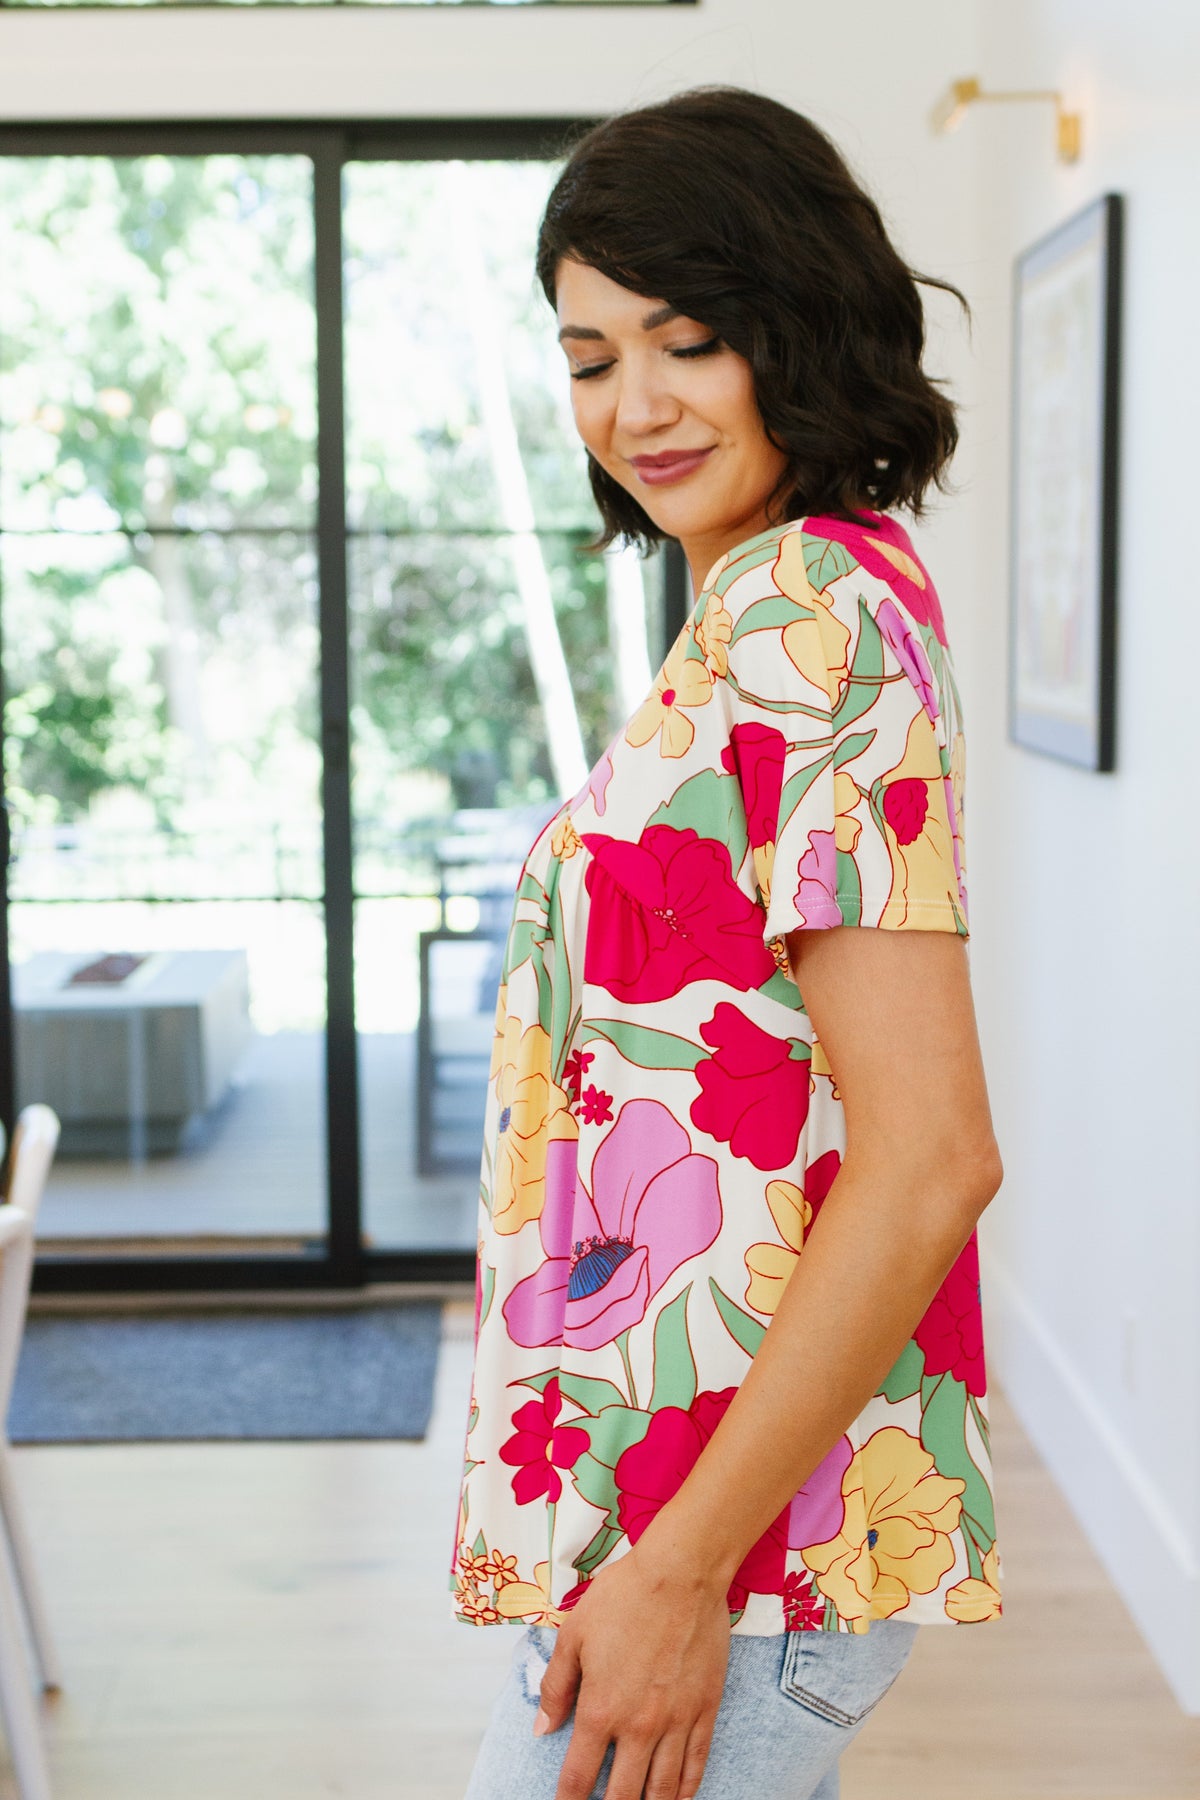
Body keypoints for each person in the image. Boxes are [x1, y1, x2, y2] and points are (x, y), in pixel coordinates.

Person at [451, 85, 1004, 1800]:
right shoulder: (794, 597)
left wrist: (683, 1571)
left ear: (799, 322)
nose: (635, 405)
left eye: (687, 340)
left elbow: (933, 1157)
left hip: (724, 1550)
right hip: (689, 1517)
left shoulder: (806, 615)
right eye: (589, 357)